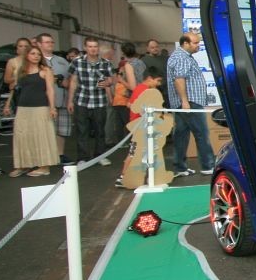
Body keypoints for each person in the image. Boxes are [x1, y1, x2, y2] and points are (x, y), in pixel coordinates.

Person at [3, 46, 59, 177]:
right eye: (33, 53)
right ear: (27, 55)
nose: (36, 56)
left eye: (38, 54)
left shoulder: (45, 70)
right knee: (22, 136)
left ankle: (44, 167)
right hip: (23, 108)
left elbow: (50, 90)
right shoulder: (21, 71)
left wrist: (52, 107)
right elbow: (14, 88)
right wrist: (7, 105)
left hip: (40, 108)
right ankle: (23, 165)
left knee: (41, 136)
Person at [167, 33, 214, 178]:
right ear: (185, 43)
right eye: (195, 43)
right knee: (202, 133)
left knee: (181, 135)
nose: (198, 46)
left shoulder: (180, 56)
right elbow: (179, 79)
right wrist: (185, 102)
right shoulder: (182, 57)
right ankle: (208, 165)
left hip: (184, 102)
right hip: (190, 102)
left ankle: (180, 167)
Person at [67, 37, 116, 166]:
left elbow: (112, 79)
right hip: (81, 100)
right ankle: (82, 158)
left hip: (99, 101)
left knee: (100, 130)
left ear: (98, 48)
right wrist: (70, 101)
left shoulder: (106, 63)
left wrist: (108, 83)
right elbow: (73, 81)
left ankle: (100, 156)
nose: (93, 49)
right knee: (82, 130)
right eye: (90, 46)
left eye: (95, 46)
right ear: (85, 48)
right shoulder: (77, 62)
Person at [116, 67, 163, 188]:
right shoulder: (145, 91)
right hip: (141, 127)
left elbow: (129, 104)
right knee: (134, 153)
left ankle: (142, 177)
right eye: (157, 81)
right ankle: (123, 177)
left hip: (140, 125)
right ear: (149, 78)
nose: (158, 84)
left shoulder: (138, 88)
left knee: (141, 152)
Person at [35, 33, 73, 164]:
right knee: (43, 130)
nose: (50, 44)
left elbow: (71, 80)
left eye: (52, 42)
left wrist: (65, 83)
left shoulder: (62, 61)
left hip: (62, 99)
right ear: (39, 44)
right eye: (47, 42)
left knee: (61, 130)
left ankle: (60, 154)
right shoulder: (35, 60)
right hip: (43, 101)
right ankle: (44, 156)